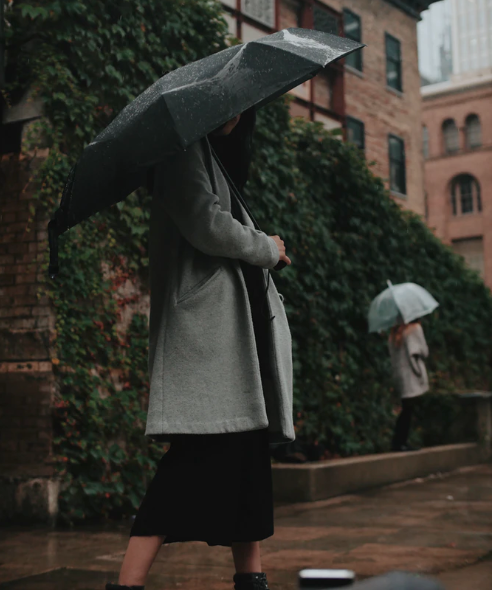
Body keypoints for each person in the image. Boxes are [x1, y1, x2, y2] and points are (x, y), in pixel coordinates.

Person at [106, 108, 295, 590]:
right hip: (208, 337)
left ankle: (251, 580)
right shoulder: (180, 152)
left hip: (233, 338)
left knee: (248, 461)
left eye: (242, 109)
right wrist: (267, 247)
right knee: (192, 461)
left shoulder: (214, 155)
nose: (235, 116)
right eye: (228, 107)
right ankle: (127, 584)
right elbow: (206, 224)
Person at [388, 319, 429, 452]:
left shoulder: (394, 333)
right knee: (408, 410)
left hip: (400, 376)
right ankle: (400, 442)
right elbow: (422, 352)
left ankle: (399, 441)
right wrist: (418, 372)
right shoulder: (414, 329)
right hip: (412, 375)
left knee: (406, 408)